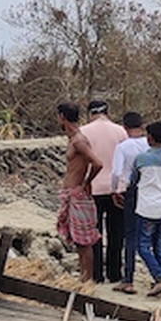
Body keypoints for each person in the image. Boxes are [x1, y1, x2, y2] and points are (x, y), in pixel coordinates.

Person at [128, 120, 161, 297]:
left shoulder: (141, 159)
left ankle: (160, 277)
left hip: (146, 208)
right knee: (159, 247)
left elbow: (133, 181)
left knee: (142, 247)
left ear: (149, 138)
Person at [82, 100, 129, 284]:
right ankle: (114, 272)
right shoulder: (120, 131)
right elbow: (125, 162)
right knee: (116, 233)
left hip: (92, 187)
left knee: (94, 232)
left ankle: (96, 274)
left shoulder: (84, 131)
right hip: (117, 188)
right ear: (107, 113)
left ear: (90, 113)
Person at [56, 102, 102, 282]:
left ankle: (87, 278)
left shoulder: (79, 141)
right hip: (71, 193)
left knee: (84, 240)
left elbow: (97, 163)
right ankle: (83, 276)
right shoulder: (73, 138)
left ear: (62, 117)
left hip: (77, 194)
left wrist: (86, 183)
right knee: (77, 239)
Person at [110, 111, 149, 294]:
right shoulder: (150, 145)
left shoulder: (123, 147)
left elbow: (116, 172)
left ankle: (128, 279)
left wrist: (114, 190)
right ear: (142, 126)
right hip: (149, 192)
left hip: (130, 191)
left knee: (130, 235)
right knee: (149, 235)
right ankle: (158, 276)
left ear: (125, 128)